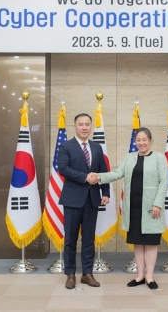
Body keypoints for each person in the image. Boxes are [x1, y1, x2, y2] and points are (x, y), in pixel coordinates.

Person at [92, 127, 168, 290]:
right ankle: (140, 275)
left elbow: (164, 182)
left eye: (144, 140)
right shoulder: (130, 157)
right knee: (138, 243)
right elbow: (118, 173)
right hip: (133, 208)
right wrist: (99, 176)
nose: (141, 143)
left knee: (151, 243)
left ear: (150, 141)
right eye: (138, 140)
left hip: (151, 208)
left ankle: (150, 277)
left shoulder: (159, 158)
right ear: (135, 142)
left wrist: (157, 204)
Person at [57, 113, 110, 290]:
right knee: (70, 239)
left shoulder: (97, 147)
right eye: (81, 124)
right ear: (75, 126)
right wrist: (85, 177)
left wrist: (106, 192)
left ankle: (87, 274)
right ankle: (70, 274)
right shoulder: (66, 146)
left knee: (88, 240)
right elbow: (63, 168)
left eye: (87, 124)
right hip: (72, 199)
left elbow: (104, 171)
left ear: (91, 126)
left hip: (92, 199)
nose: (84, 127)